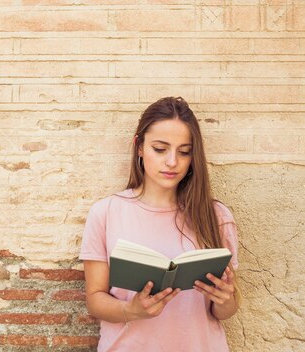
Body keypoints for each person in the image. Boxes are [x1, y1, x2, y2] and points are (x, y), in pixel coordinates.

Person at [79, 96, 241, 351]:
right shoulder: (106, 212)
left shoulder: (216, 216)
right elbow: (95, 299)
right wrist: (130, 310)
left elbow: (225, 311)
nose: (172, 162)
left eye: (184, 152)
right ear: (139, 147)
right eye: (160, 148)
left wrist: (225, 299)